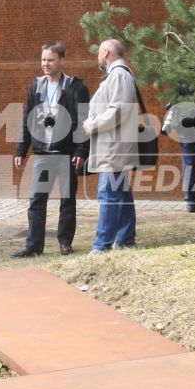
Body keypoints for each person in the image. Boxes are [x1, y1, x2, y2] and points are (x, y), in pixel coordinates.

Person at [12, 42, 90, 256]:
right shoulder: (35, 86)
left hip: (67, 154)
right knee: (37, 200)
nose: (46, 64)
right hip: (42, 154)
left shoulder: (76, 87)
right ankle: (33, 246)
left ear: (62, 61)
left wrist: (82, 151)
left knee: (67, 200)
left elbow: (84, 121)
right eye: (44, 59)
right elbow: (27, 119)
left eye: (51, 60)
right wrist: (21, 150)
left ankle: (65, 242)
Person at [81, 38, 142, 252]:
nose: (98, 56)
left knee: (109, 195)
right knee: (120, 194)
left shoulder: (119, 75)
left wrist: (92, 125)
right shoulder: (117, 75)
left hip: (113, 148)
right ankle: (125, 241)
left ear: (106, 52)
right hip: (112, 146)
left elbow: (118, 111)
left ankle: (102, 245)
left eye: (99, 52)